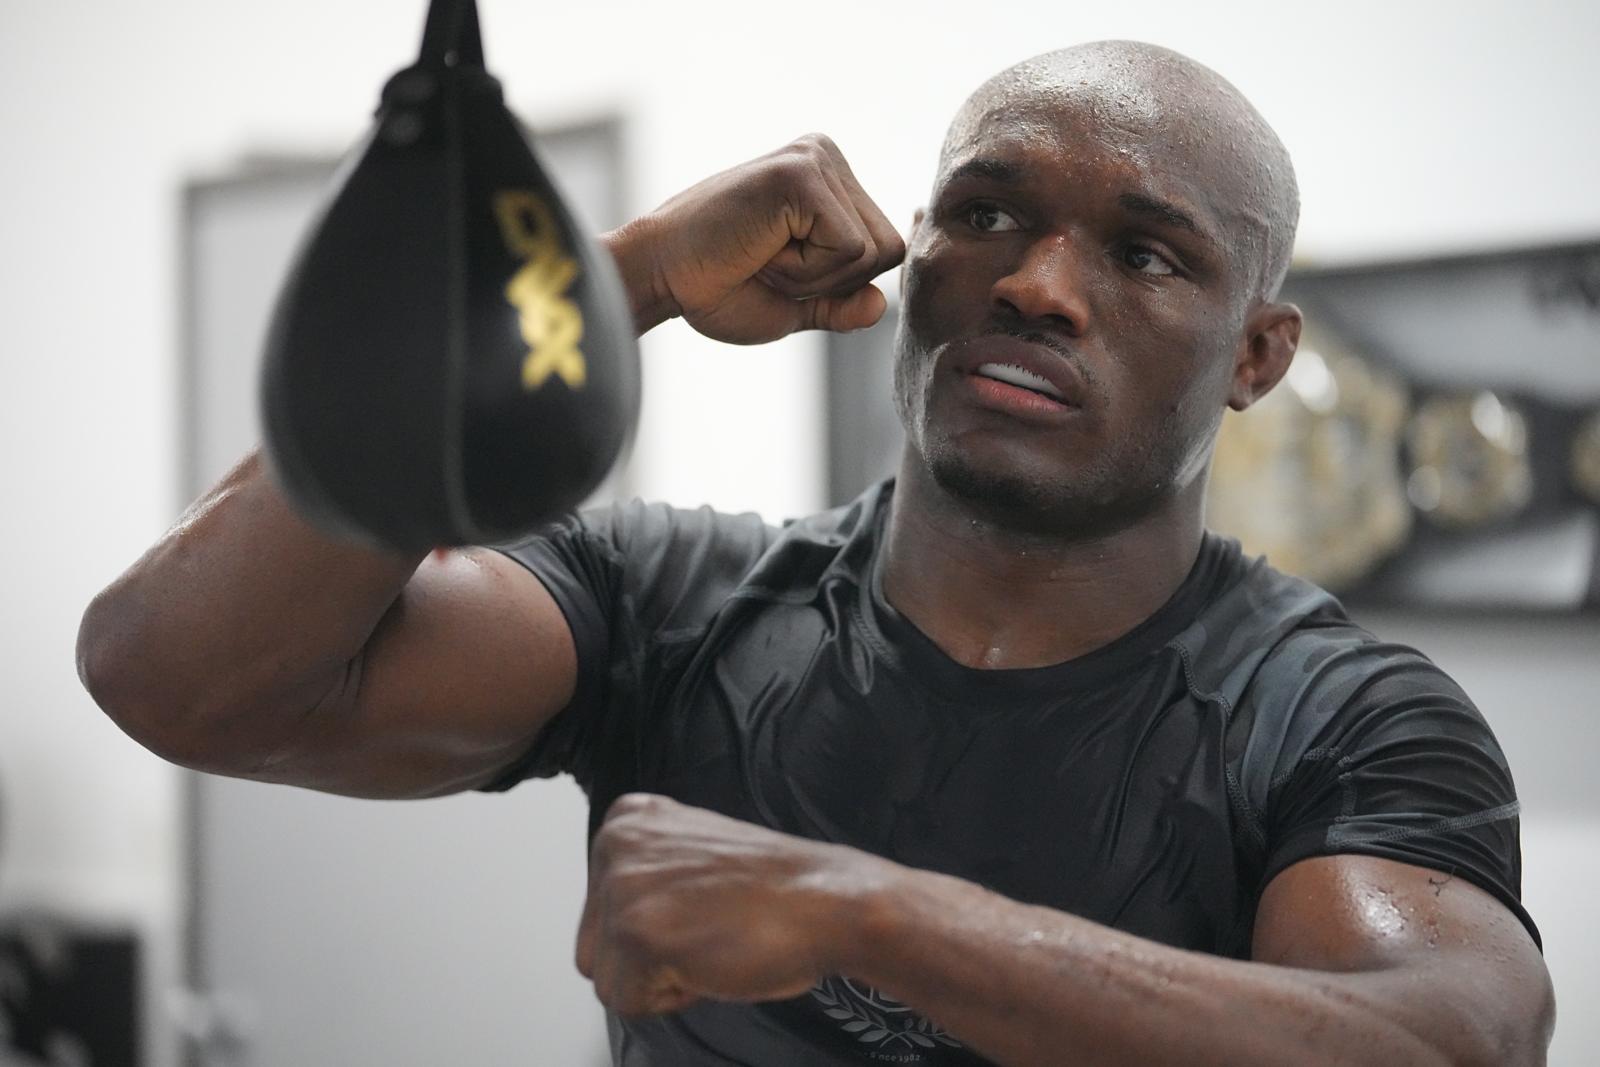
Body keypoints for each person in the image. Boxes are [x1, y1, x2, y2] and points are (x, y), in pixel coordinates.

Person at [77, 40, 1554, 1067]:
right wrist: (628, 275)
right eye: (986, 216)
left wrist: (875, 916)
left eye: (1144, 252)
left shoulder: (1339, 715)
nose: (1037, 284)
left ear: (1260, 354)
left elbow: (1447, 1044)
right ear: (911, 263)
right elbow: (178, 674)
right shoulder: (668, 605)